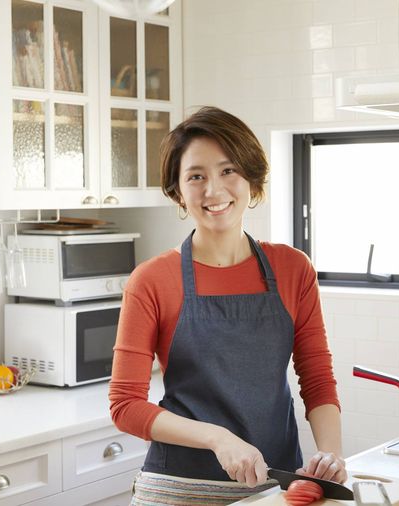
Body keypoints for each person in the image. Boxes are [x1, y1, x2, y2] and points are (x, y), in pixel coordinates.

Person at [109, 106, 345, 505]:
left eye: (228, 171)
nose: (213, 190)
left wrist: (331, 456)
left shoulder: (293, 269)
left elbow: (317, 379)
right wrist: (217, 438)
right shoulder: (151, 280)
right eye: (196, 176)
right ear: (177, 191)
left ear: (251, 179)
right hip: (177, 488)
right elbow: (125, 405)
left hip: (275, 487)